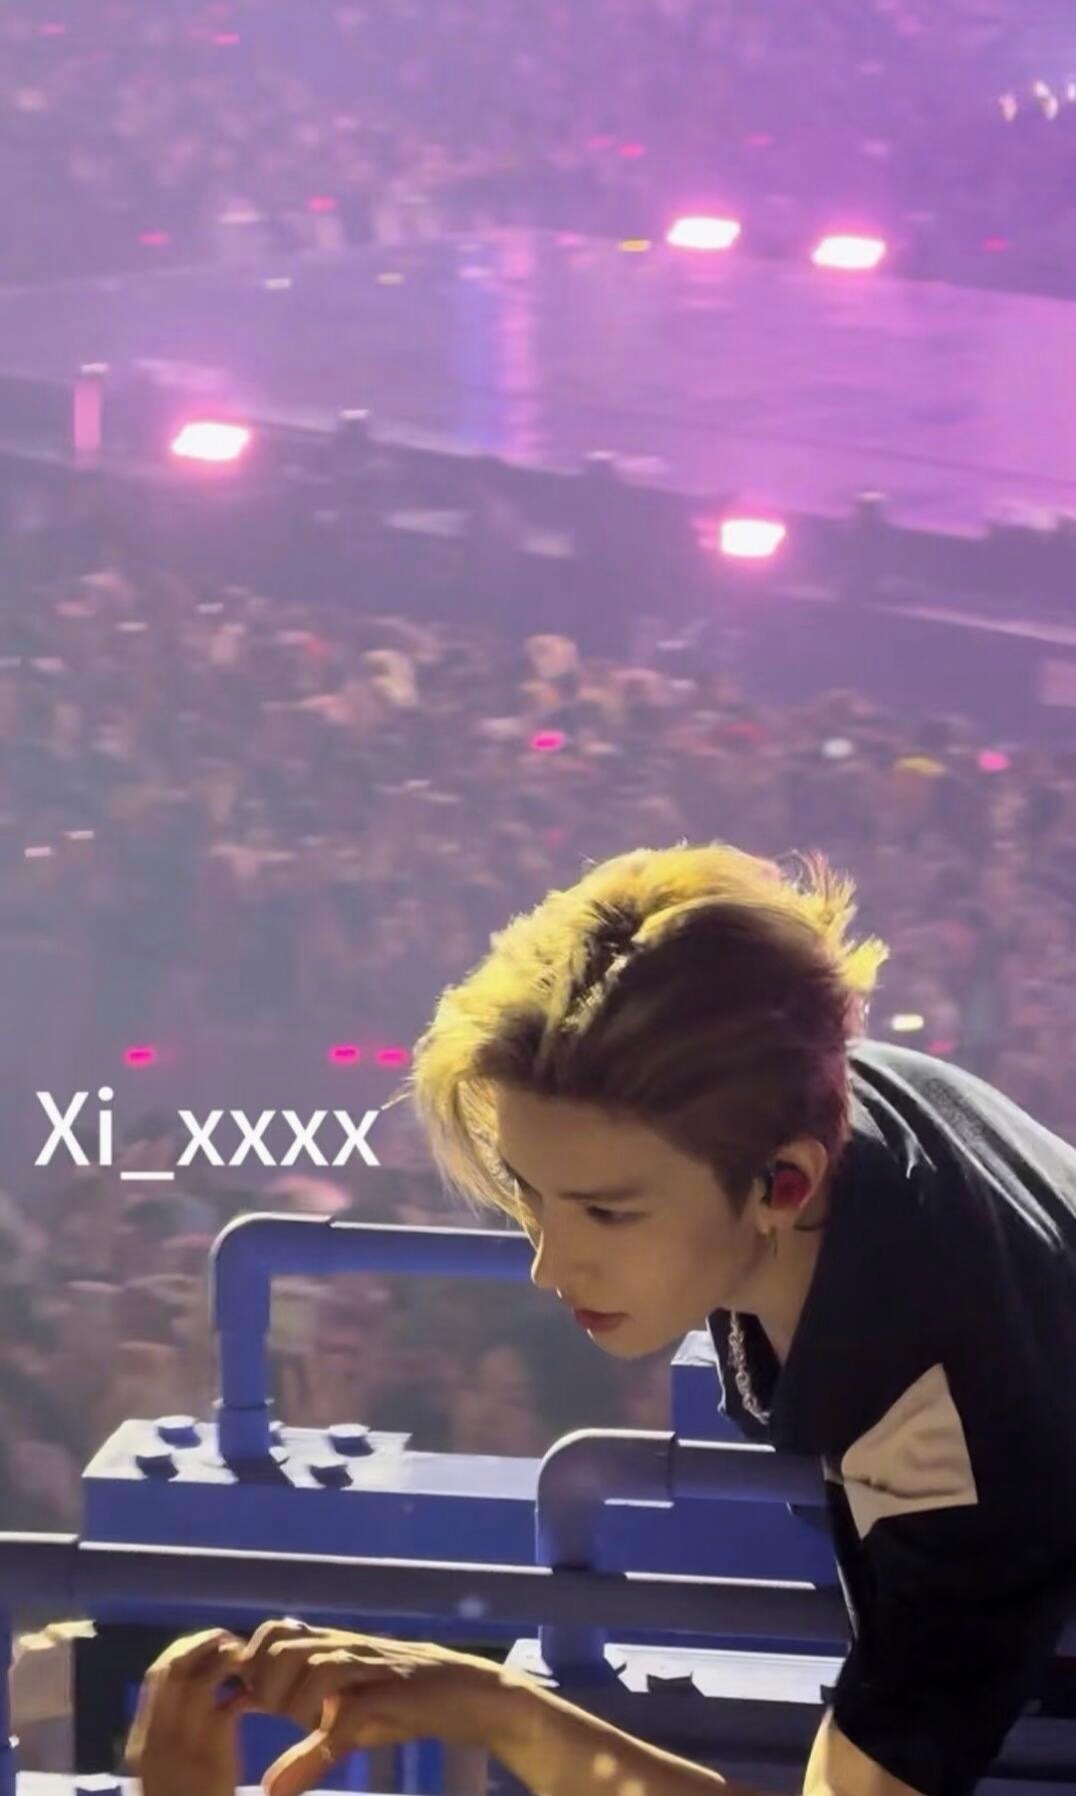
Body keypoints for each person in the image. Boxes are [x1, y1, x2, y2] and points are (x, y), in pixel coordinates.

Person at [127, 841, 1076, 1796]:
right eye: (530, 1195)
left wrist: (496, 1708)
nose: (549, 1265)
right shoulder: (800, 1090)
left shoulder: (950, 1439)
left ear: (783, 1184)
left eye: (608, 1213)